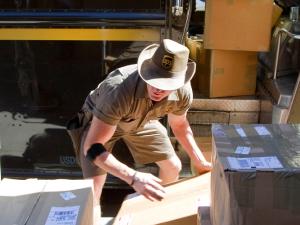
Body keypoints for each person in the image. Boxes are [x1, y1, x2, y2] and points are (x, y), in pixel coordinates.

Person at [71, 39, 211, 224]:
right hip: (102, 123)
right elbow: (92, 147)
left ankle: (161, 218)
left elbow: (179, 124)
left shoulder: (183, 92)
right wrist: (134, 177)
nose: (157, 89)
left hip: (141, 120)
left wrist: (200, 162)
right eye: (154, 79)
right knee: (94, 188)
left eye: (166, 84)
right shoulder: (117, 89)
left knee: (173, 167)